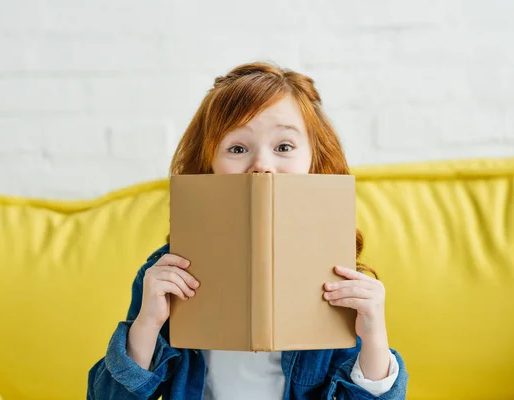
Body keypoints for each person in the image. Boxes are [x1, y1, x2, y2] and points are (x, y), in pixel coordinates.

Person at [87, 61, 408, 399]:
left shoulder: (342, 277)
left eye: (284, 147)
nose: (262, 166)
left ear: (315, 160)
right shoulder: (165, 275)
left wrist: (374, 337)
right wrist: (147, 326)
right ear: (207, 165)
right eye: (237, 149)